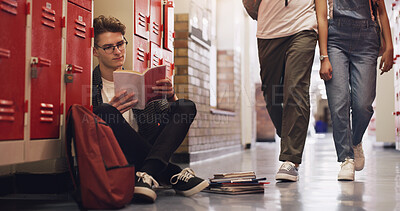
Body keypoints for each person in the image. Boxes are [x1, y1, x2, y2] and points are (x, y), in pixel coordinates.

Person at [91, 15, 209, 203]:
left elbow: (166, 122)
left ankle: (146, 174)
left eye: (121, 44)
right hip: (117, 155)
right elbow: (88, 133)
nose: (117, 51)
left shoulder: (141, 80)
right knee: (103, 112)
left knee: (185, 106)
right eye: (108, 47)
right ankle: (172, 174)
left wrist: (171, 97)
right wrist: (111, 114)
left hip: (149, 146)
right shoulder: (89, 85)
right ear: (95, 51)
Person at [316, 0, 393, 181]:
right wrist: (323, 57)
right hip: (335, 41)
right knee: (338, 102)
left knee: (363, 105)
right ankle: (346, 159)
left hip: (367, 40)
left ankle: (355, 140)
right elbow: (321, 17)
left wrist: (389, 46)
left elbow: (381, 10)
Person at [257, 0, 318, 181]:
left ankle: (291, 160)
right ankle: (289, 135)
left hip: (303, 26)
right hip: (268, 29)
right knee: (271, 93)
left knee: (296, 90)